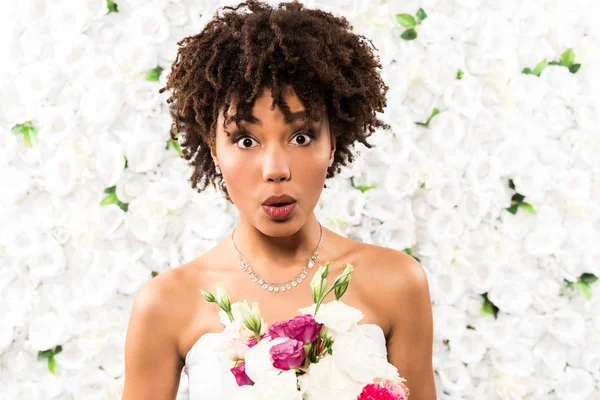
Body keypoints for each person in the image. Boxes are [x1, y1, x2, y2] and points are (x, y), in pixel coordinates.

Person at [122, 1, 436, 399]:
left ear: (332, 143)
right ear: (215, 150)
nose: (275, 169)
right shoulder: (167, 303)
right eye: (246, 140)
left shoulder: (396, 283)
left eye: (301, 137)